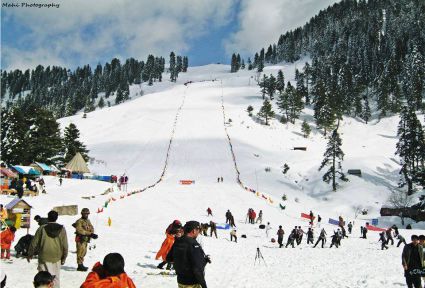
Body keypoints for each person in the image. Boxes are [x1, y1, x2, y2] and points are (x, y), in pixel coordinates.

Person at [27, 210, 68, 288]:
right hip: (56, 257)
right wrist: (63, 258)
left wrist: (30, 254)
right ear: (56, 218)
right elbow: (65, 245)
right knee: (55, 278)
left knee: (43, 279)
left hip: (44, 257)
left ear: (48, 218)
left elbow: (34, 243)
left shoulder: (42, 228)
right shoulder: (62, 229)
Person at [166, 221, 209, 288]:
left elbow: (168, 258)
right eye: (198, 230)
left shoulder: (178, 241)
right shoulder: (194, 244)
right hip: (192, 283)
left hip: (181, 282)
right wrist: (204, 285)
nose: (199, 232)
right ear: (194, 231)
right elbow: (197, 269)